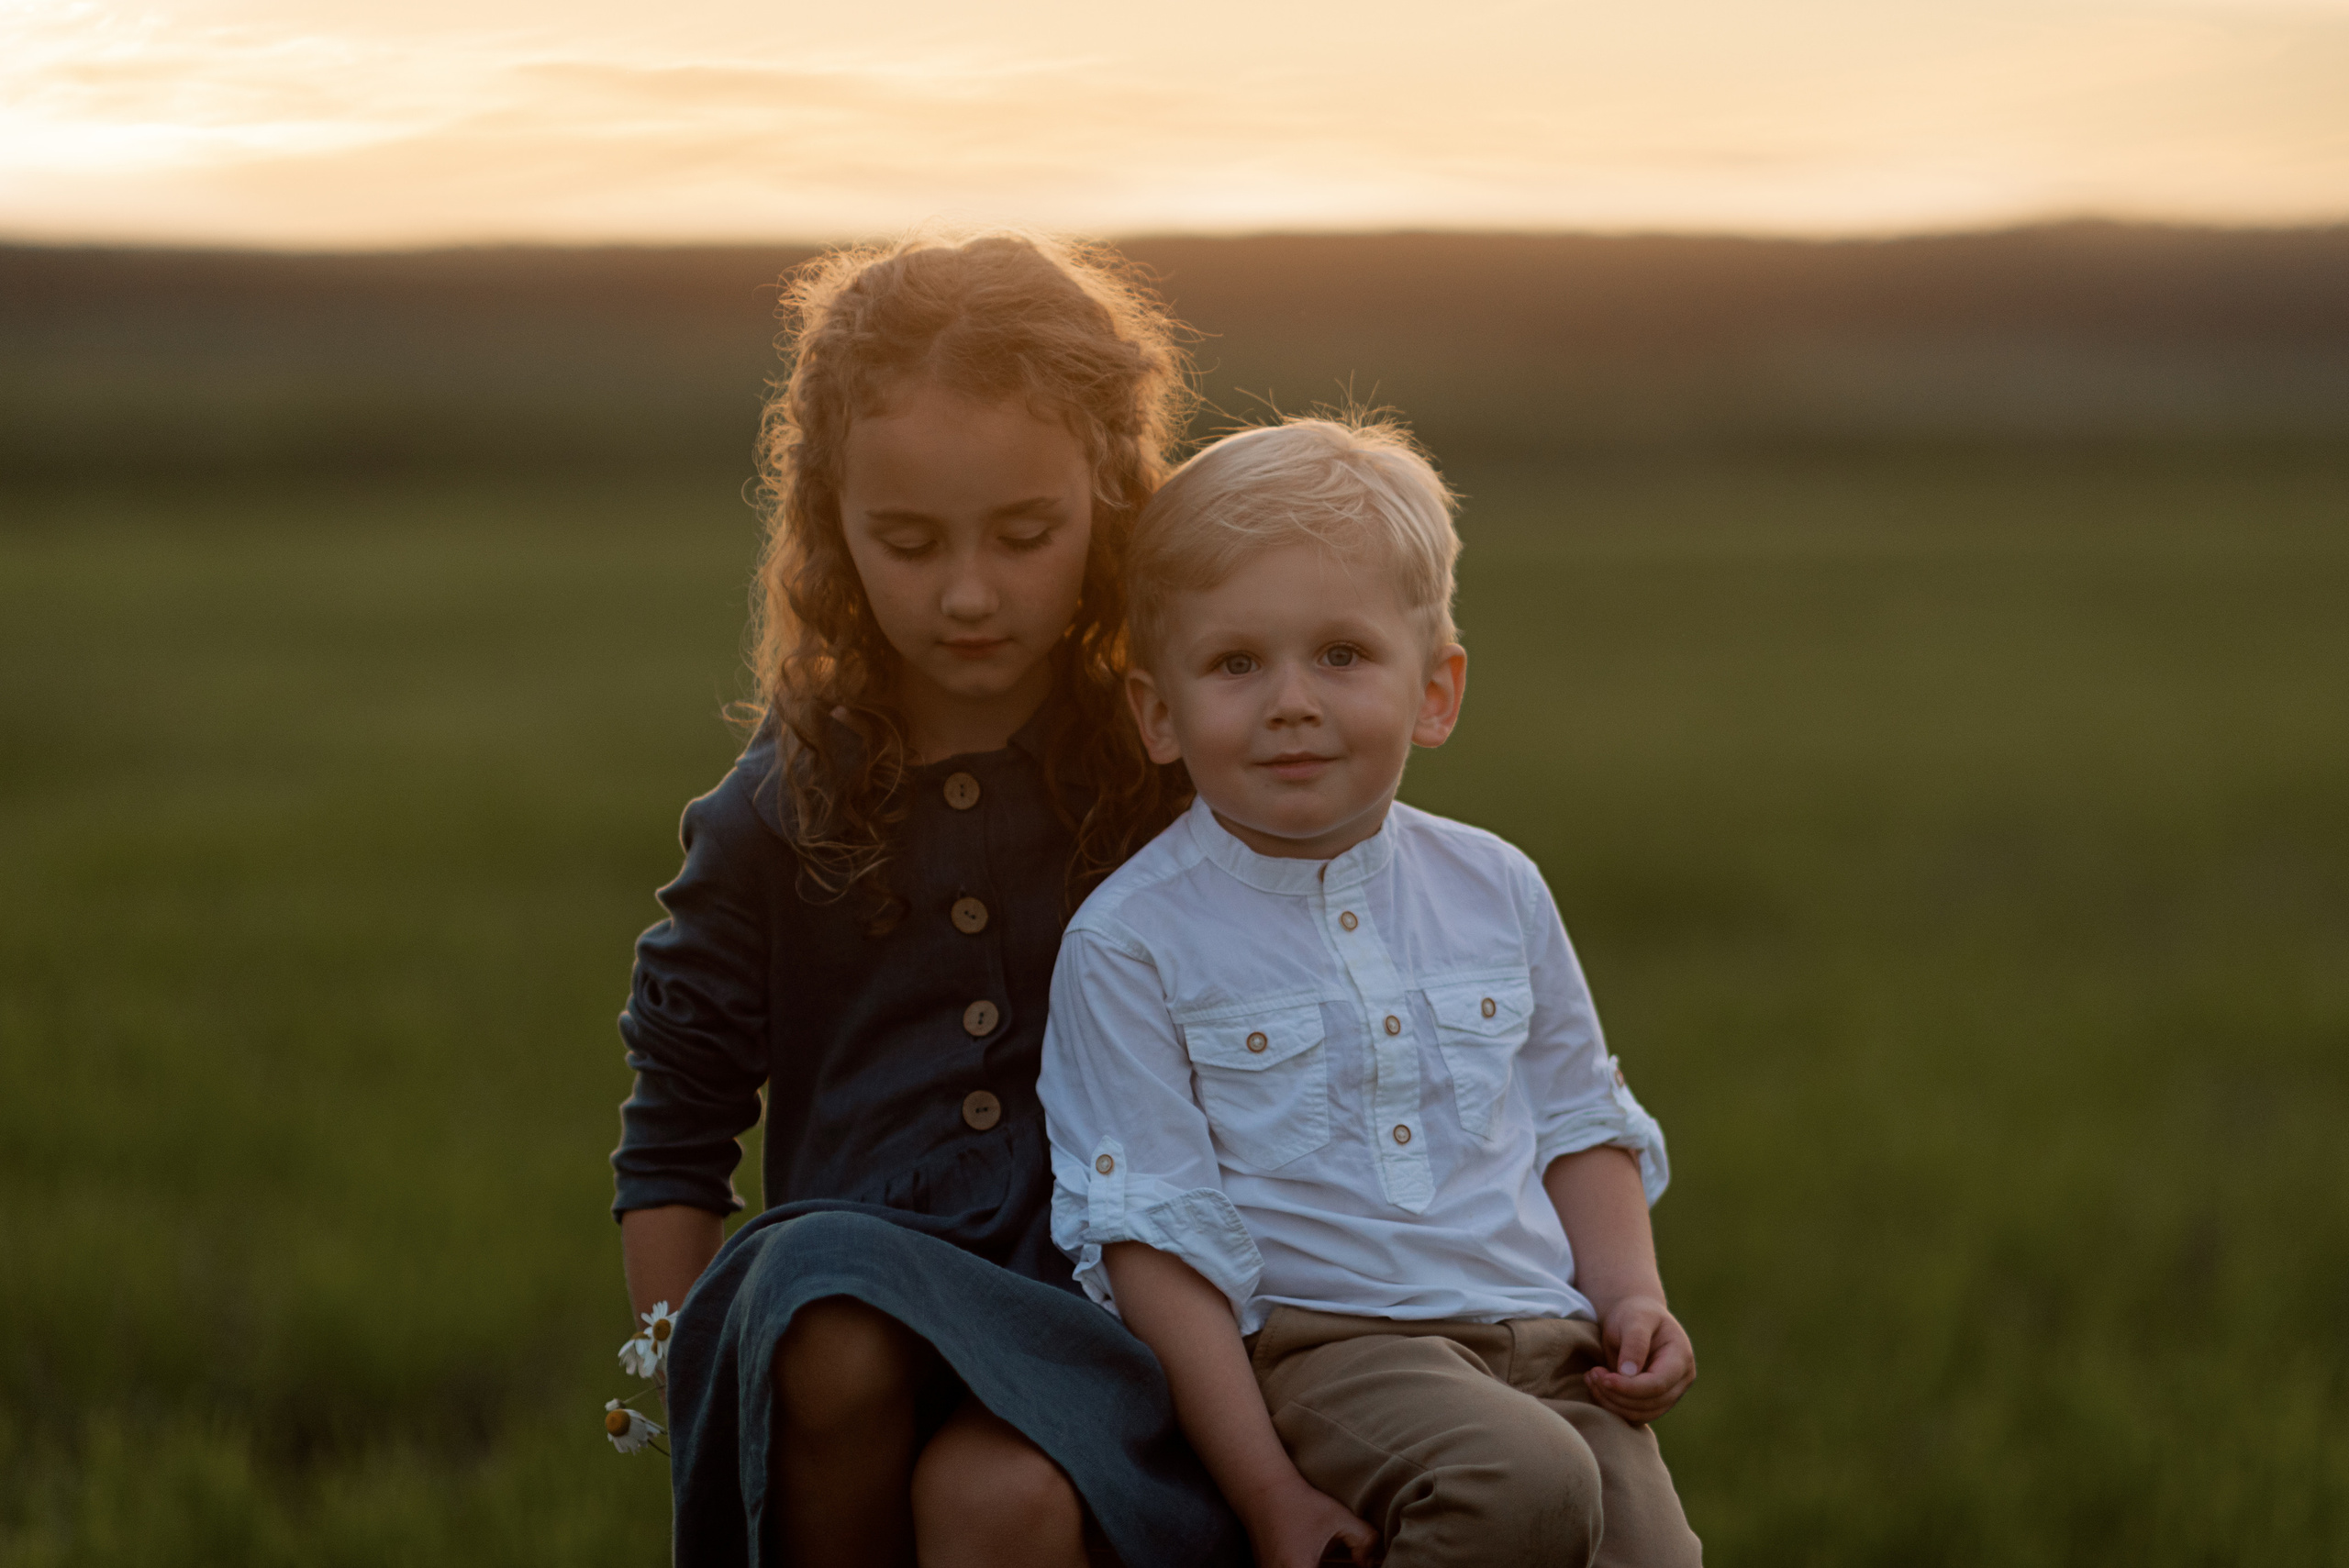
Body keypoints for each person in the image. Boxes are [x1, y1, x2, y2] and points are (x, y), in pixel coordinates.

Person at [610, 232, 1247, 1568]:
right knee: (824, 1313)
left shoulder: (1171, 778)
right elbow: (676, 1129)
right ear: (829, 524)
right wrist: (690, 1382)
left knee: (1003, 1505)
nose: (969, 593)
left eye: (1026, 536)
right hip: (844, 1323)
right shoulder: (776, 812)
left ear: (1112, 500)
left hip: (1103, 1308)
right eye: (907, 542)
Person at [1037, 417, 1707, 1568]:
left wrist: (1632, 1295)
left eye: (1341, 655)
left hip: (1551, 1337)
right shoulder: (1133, 939)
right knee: (1522, 1484)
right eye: (1236, 663)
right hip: (1334, 1352)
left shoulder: (1495, 884)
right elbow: (1153, 1240)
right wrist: (1263, 1490)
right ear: (1157, 711)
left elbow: (1577, 1119)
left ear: (1434, 689)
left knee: (1652, 1556)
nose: (1291, 700)